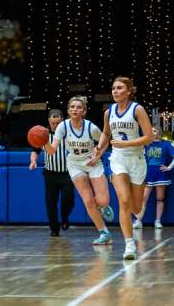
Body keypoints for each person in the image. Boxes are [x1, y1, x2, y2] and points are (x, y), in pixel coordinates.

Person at [94, 77, 153, 260]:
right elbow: (106, 133)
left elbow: (149, 137)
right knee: (124, 201)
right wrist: (98, 150)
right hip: (118, 159)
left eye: (120, 88)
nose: (115, 91)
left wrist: (126, 144)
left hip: (137, 159)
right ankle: (129, 245)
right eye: (113, 88)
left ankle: (132, 218)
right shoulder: (108, 112)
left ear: (129, 91)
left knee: (135, 207)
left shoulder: (138, 109)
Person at [43, 97, 115, 245]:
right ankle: (104, 233)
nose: (75, 109)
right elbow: (51, 150)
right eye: (72, 107)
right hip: (75, 164)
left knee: (102, 200)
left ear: (84, 111)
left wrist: (98, 154)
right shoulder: (63, 126)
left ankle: (104, 206)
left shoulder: (91, 127)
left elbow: (105, 140)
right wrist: (43, 141)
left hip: (92, 162)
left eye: (78, 107)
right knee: (88, 201)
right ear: (69, 111)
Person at [29, 109, 75, 236]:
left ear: (62, 121)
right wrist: (33, 161)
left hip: (68, 173)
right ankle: (54, 229)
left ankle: (65, 217)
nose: (55, 125)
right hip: (50, 174)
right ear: (49, 121)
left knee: (68, 199)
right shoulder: (42, 134)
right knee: (51, 202)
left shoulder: (69, 132)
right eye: (53, 123)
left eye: (58, 123)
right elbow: (35, 150)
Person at [133, 126, 174, 229]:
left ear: (159, 133)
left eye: (154, 130)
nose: (152, 132)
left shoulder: (166, 144)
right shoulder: (145, 144)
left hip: (160, 174)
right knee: (144, 198)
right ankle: (138, 221)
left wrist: (169, 167)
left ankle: (158, 221)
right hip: (148, 173)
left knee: (160, 198)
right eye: (150, 130)